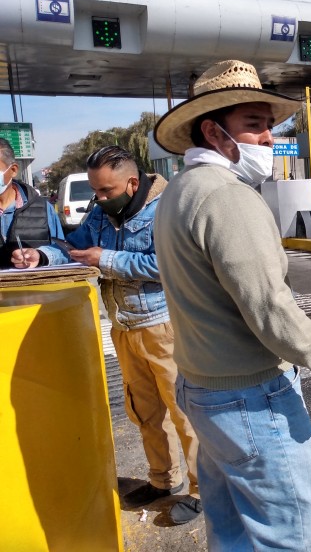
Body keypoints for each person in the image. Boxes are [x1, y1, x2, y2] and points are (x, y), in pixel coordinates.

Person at [152, 59, 311, 551]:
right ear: (212, 130)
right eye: (253, 124)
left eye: (269, 125)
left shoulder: (178, 191)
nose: (267, 138)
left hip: (202, 389)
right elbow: (271, 312)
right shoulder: (226, 198)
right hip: (250, 398)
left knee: (234, 532)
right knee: (296, 538)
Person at [11, 146, 203, 525]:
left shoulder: (165, 211)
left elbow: (170, 265)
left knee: (185, 414)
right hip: (125, 328)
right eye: (96, 192)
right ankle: (162, 480)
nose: (98, 200)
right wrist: (42, 256)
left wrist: (107, 259)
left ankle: (202, 491)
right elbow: (74, 245)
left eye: (105, 191)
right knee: (144, 413)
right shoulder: (101, 213)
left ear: (133, 183)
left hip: (164, 328)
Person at [0, 137, 64, 268]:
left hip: (36, 288)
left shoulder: (43, 208)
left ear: (13, 170)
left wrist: (40, 256)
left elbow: (63, 252)